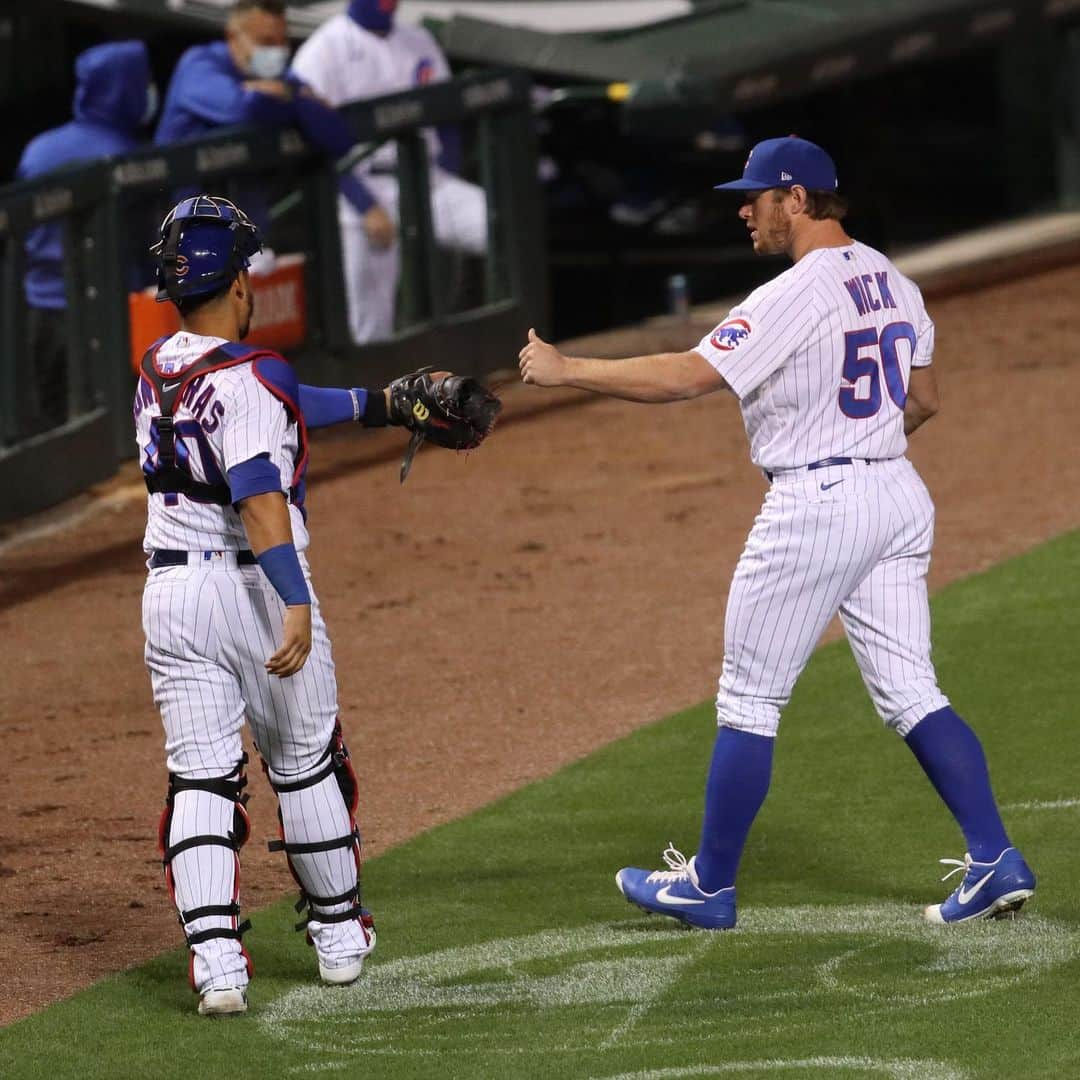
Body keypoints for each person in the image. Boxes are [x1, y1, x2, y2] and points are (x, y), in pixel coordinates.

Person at [518, 136, 1036, 929]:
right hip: (896, 492)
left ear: (797, 200)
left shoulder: (794, 292)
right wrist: (864, 450)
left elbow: (689, 375)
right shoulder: (893, 280)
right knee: (912, 690)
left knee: (750, 699)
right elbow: (925, 399)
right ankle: (995, 857)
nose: (743, 209)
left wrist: (568, 369)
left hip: (816, 504)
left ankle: (709, 885)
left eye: (756, 196)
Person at [291, 0, 487, 343]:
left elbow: (448, 116)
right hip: (364, 188)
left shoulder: (418, 39)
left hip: (429, 180)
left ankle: (496, 344)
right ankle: (378, 393)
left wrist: (447, 170)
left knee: (496, 224)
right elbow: (314, 143)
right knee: (370, 327)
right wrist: (365, 205)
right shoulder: (322, 50)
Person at [155, 0, 374, 254]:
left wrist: (288, 94)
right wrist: (294, 101)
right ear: (233, 37)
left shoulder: (280, 80)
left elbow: (337, 135)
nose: (278, 50)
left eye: (283, 41)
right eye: (266, 42)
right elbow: (243, 109)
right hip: (185, 229)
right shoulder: (199, 65)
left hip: (248, 225)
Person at [16, 40, 154, 433]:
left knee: (53, 432)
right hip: (112, 319)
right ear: (123, 87)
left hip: (41, 312)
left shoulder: (39, 148)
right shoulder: (130, 154)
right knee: (119, 439)